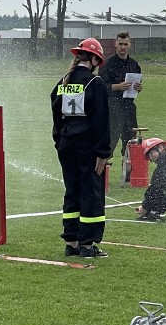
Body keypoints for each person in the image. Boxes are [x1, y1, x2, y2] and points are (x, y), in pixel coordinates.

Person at [51, 38, 111, 258]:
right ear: (95, 59)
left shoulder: (63, 82)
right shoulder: (94, 83)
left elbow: (56, 115)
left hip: (66, 144)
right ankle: (87, 244)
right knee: (91, 193)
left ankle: (72, 241)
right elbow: (102, 121)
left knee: (72, 190)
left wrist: (59, 140)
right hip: (87, 147)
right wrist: (102, 153)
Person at [99, 31, 143, 159]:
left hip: (129, 108)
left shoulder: (134, 65)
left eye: (125, 44)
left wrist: (139, 88)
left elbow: (138, 85)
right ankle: (103, 175)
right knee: (109, 143)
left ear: (130, 44)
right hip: (112, 108)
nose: (123, 47)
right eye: (120, 44)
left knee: (130, 144)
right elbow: (101, 88)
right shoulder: (106, 65)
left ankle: (128, 176)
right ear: (115, 44)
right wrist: (119, 86)